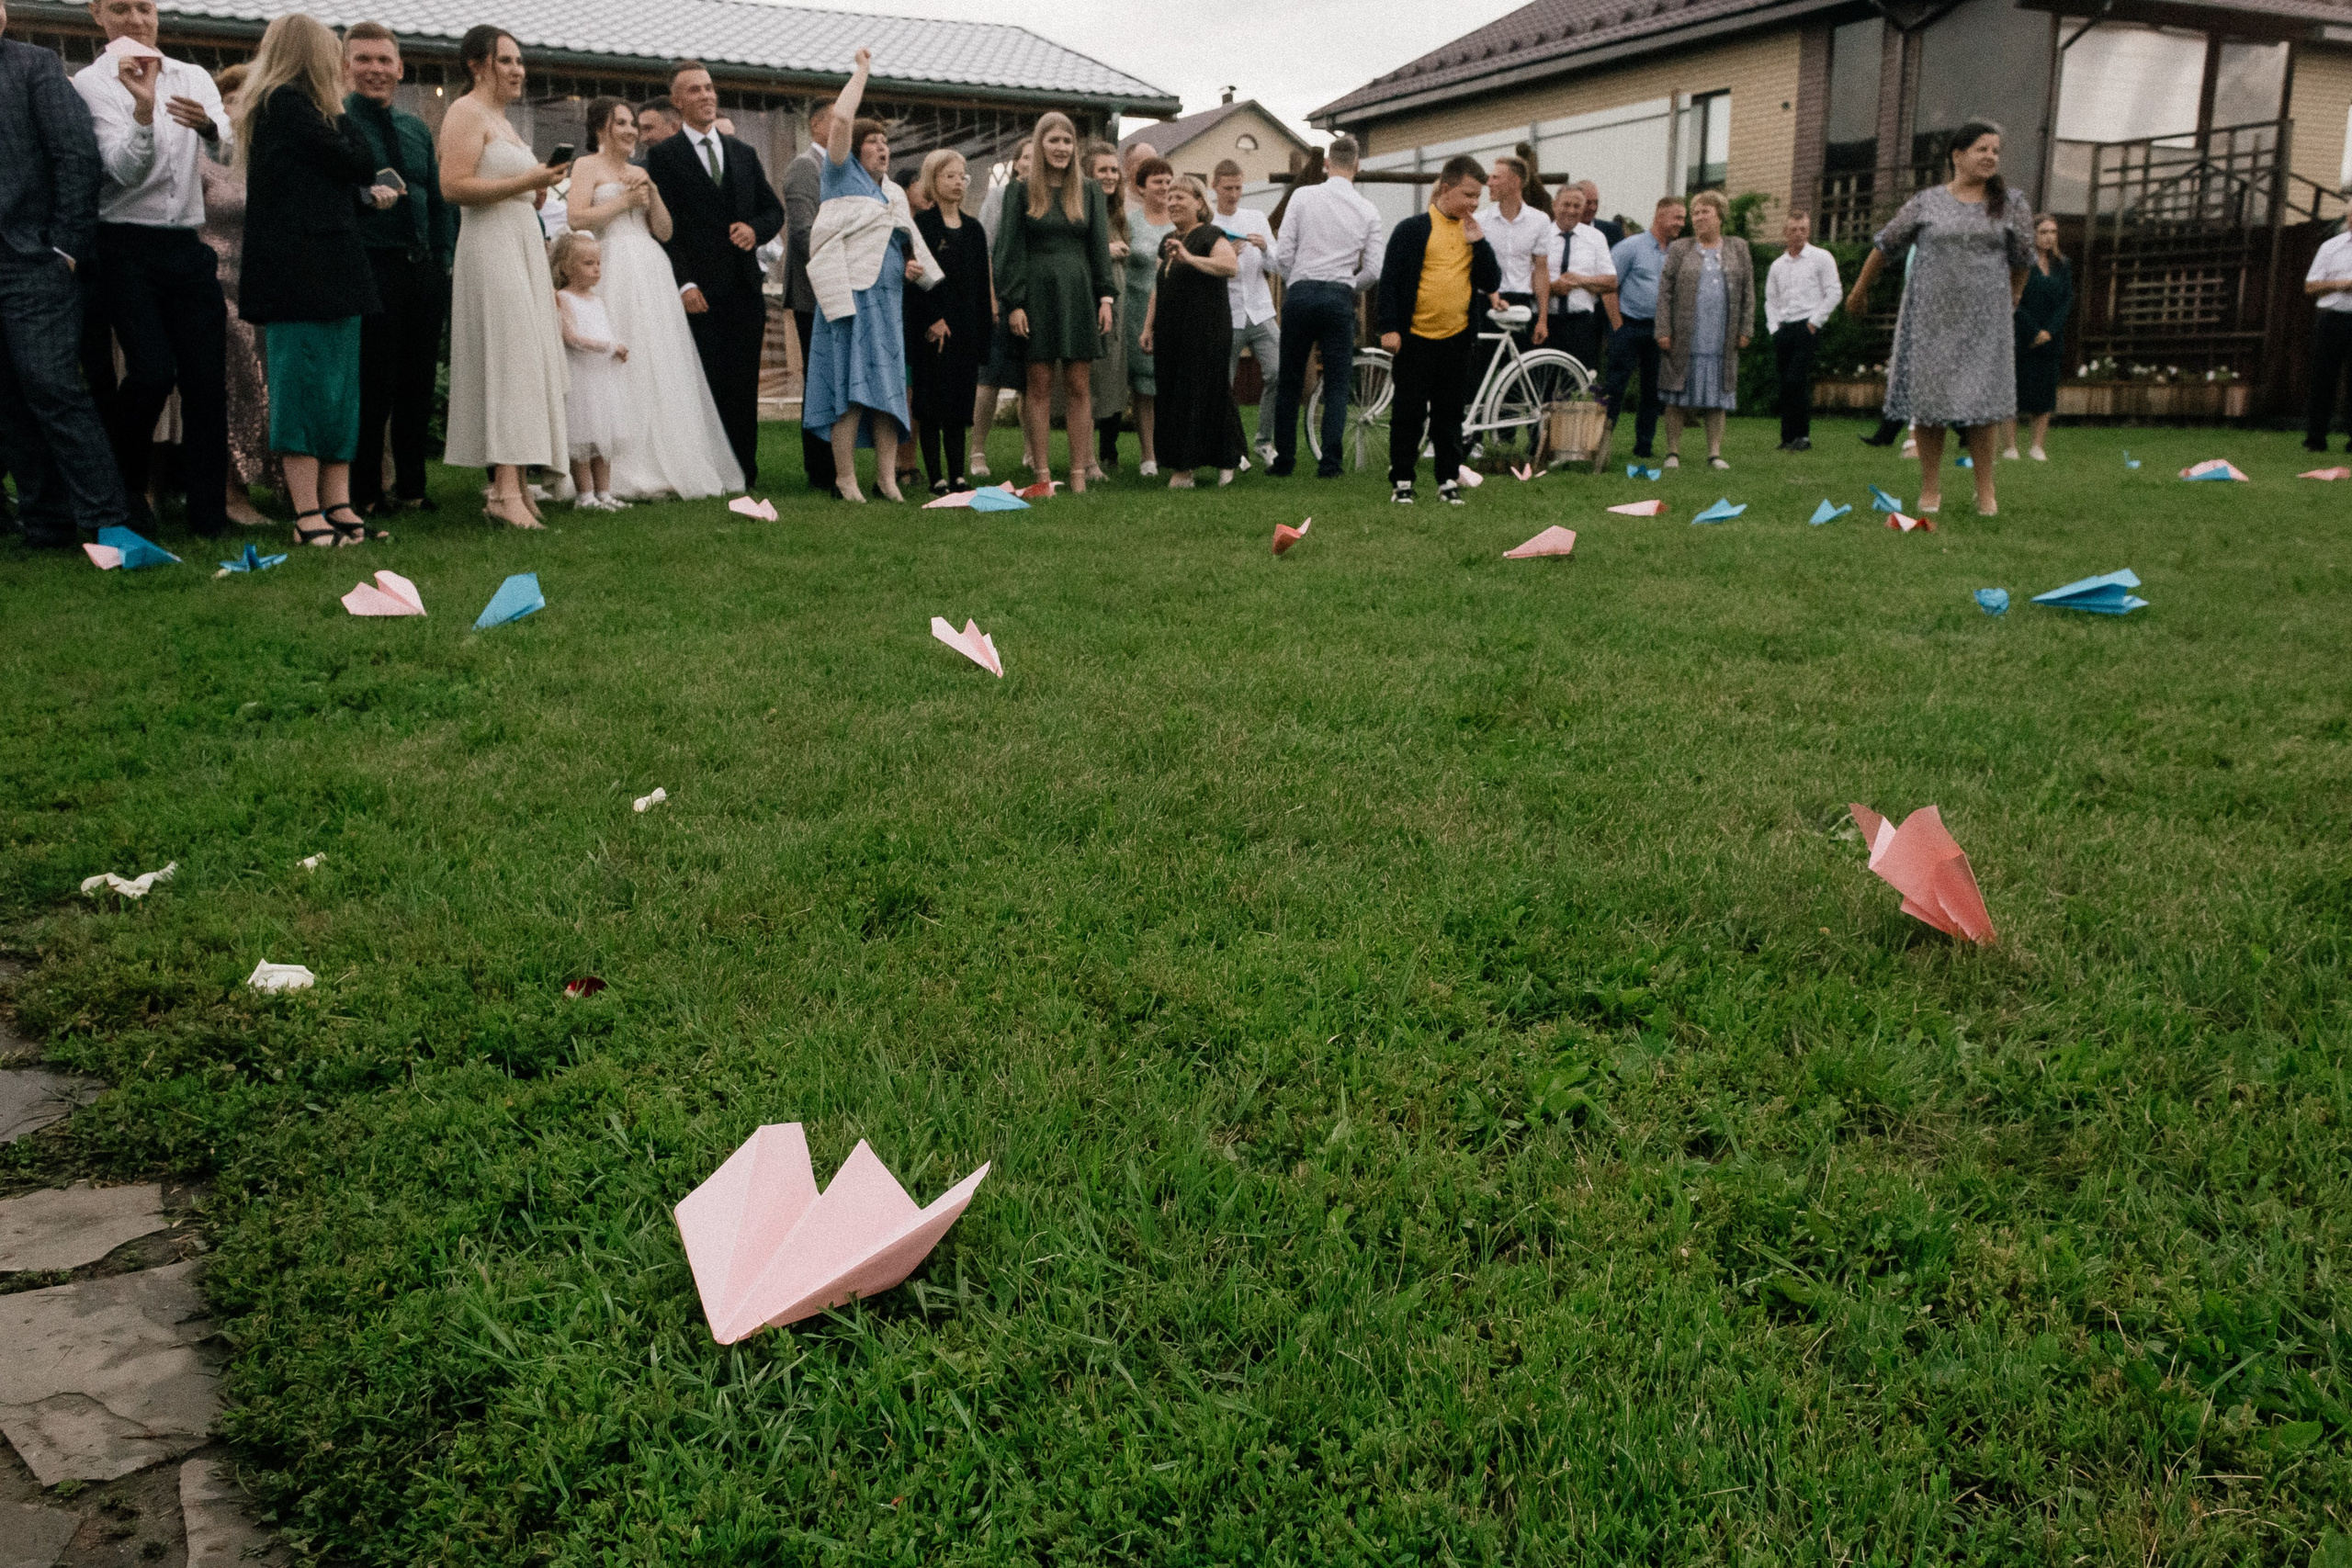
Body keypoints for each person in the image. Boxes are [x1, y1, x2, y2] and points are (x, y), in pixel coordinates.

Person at [73, 0, 236, 537]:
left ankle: (209, 516)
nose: (136, 21)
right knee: (150, 371)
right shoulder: (90, 85)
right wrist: (144, 112)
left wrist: (211, 127)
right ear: (98, 15)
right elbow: (118, 170)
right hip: (123, 245)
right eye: (120, 10)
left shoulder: (190, 75)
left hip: (186, 243)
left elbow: (228, 150)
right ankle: (127, 495)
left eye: (144, 8)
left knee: (207, 381)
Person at [236, 12, 390, 547]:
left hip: (335, 269)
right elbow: (359, 160)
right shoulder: (284, 103)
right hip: (297, 275)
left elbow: (327, 183)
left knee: (340, 392)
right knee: (302, 390)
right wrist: (341, 105)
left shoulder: (305, 111)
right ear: (310, 56)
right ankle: (308, 514)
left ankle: (339, 504)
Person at [1846, 118, 2032, 516]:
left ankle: (1986, 492)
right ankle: (1930, 489)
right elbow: (1885, 245)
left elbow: (2023, 259)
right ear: (1958, 155)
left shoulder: (2012, 203)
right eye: (1983, 149)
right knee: (1929, 406)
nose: (1991, 157)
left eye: (1996, 151)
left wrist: (2014, 295)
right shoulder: (1926, 202)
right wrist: (1860, 290)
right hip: (1931, 321)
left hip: (1985, 323)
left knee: (1982, 406)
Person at [0, 0, 130, 547]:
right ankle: (45, 522)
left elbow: (76, 156)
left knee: (53, 386)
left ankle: (110, 523)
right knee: (7, 394)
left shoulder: (33, 65)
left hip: (31, 258)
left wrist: (65, 248)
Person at [565, 96, 741, 498]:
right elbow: (576, 217)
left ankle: (667, 458)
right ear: (600, 128)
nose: (630, 131)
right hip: (609, 264)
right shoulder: (586, 167)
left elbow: (664, 231)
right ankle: (615, 467)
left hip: (650, 264)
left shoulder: (638, 170)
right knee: (615, 361)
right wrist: (622, 202)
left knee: (659, 359)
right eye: (622, 123)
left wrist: (652, 192)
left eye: (632, 124)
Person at [437, 25, 570, 529]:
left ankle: (509, 486)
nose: (518, 70)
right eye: (507, 60)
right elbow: (453, 185)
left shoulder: (504, 121)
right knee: (508, 359)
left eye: (520, 61)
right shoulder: (464, 112)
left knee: (527, 360)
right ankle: (504, 490)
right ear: (478, 64)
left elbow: (508, 184)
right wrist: (528, 180)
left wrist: (535, 189)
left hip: (521, 242)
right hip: (489, 247)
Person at [804, 49, 941, 503]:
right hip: (849, 300)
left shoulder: (894, 193)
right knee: (851, 389)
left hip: (887, 302)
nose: (883, 147)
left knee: (888, 391)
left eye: (887, 141)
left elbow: (900, 243)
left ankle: (885, 478)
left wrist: (908, 266)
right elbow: (842, 119)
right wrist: (862, 71)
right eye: (874, 141)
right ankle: (846, 479)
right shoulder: (838, 174)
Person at [648, 58, 785, 492]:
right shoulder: (663, 157)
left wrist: (754, 230)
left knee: (743, 385)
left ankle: (744, 473)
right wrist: (683, 283)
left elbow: (773, 210)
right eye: (694, 90)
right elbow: (663, 229)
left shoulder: (743, 154)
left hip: (745, 289)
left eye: (709, 88)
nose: (706, 96)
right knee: (703, 383)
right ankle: (707, 471)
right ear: (676, 102)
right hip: (698, 290)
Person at [344, 22, 454, 521]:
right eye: (363, 60)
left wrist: (443, 260)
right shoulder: (338, 121)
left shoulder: (415, 128)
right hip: (371, 266)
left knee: (416, 382)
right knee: (374, 383)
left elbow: (436, 200)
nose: (375, 70)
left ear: (400, 68)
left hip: (423, 269)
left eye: (384, 61)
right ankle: (365, 491)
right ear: (347, 66)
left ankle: (412, 487)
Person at [993, 109, 1114, 494]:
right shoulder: (1019, 192)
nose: (1061, 148)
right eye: (1053, 141)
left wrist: (1105, 298)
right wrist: (1013, 303)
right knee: (1039, 383)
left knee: (1079, 384)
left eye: (1067, 141)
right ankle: (1042, 476)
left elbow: (1099, 250)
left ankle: (1078, 474)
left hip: (1079, 295)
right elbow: (1007, 251)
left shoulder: (1091, 191)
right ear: (1040, 144)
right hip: (1036, 296)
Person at [1374, 153, 1501, 506]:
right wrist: (1389, 328)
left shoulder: (1471, 231)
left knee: (1449, 415)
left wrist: (1480, 243)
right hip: (1414, 338)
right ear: (1446, 189)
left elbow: (1491, 281)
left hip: (1456, 339)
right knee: (1408, 413)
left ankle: (1447, 479)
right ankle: (1402, 479)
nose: (1474, 204)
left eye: (1479, 197)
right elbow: (1389, 284)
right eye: (1468, 195)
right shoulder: (1411, 230)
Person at [1269, 132, 1380, 479]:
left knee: (1289, 379)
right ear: (1357, 167)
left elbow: (1282, 252)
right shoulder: (1367, 209)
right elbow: (1374, 268)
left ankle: (1284, 460)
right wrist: (1349, 287)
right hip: (1338, 296)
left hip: (1301, 292)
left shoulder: (1303, 196)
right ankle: (1330, 462)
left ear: (1328, 163)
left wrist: (1296, 280)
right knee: (1336, 382)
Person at [1138, 174, 1243, 487]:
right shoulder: (1169, 240)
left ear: (1199, 202)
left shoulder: (1211, 235)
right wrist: (1148, 327)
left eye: (1180, 197)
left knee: (1196, 394)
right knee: (1170, 394)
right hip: (1171, 330)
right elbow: (1159, 286)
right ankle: (1224, 457)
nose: (1172, 203)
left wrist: (1190, 258)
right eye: (1169, 198)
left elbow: (1229, 266)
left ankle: (1186, 470)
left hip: (1205, 328)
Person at [200, 62, 270, 525]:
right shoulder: (202, 156)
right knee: (226, 388)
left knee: (257, 391)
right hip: (212, 284)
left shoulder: (262, 157)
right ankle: (226, 492)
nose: (235, 109)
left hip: (259, 287)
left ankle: (251, 484)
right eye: (229, 99)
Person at [909, 147, 991, 493]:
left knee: (960, 403)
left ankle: (957, 473)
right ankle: (936, 476)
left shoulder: (974, 229)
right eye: (950, 176)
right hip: (934, 329)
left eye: (962, 176)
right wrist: (933, 319)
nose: (958, 183)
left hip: (967, 328)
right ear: (933, 180)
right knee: (931, 403)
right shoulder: (922, 226)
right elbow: (918, 280)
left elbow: (980, 286)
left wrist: (983, 333)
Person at [1654, 188, 1751, 471]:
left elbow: (1748, 292)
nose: (1698, 218)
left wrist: (1746, 327)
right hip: (1685, 335)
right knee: (1676, 394)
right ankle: (1672, 453)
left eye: (1704, 212)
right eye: (1695, 213)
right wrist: (1663, 328)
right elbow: (1665, 292)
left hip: (1721, 334)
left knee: (1717, 396)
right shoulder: (1680, 249)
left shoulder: (1738, 248)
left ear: (1720, 216)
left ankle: (1714, 454)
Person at [965, 136, 1032, 479]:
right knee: (989, 379)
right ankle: (977, 450)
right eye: (1027, 157)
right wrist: (990, 298)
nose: (1034, 163)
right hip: (1002, 298)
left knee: (1031, 381)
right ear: (1016, 163)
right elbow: (985, 250)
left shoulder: (1049, 199)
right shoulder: (999, 196)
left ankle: (1031, 450)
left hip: (1036, 300)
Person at [780, 98, 838, 492]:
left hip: (845, 290)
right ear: (819, 125)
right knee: (819, 379)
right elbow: (803, 231)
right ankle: (820, 468)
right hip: (814, 291)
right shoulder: (806, 167)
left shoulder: (845, 167)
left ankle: (840, 461)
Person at [548, 231, 628, 510]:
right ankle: (585, 494)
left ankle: (604, 491)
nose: (596, 269)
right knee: (582, 438)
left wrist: (612, 351)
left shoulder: (598, 301)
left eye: (598, 263)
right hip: (580, 378)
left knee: (603, 436)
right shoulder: (563, 299)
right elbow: (571, 338)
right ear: (567, 268)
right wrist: (610, 347)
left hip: (601, 379)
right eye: (588, 263)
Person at [1600, 196, 1684, 460]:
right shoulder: (1630, 247)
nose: (1681, 224)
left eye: (1683, 218)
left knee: (1653, 391)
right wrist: (1618, 327)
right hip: (1628, 326)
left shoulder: (1676, 253)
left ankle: (1644, 447)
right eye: (1677, 217)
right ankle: (1601, 442)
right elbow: (1608, 287)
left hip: (1659, 332)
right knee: (1614, 387)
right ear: (1660, 215)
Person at [1212, 158, 1280, 463]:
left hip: (1261, 310)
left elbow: (1277, 266)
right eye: (1228, 188)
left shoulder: (1256, 217)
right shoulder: (1209, 224)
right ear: (1215, 186)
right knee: (1223, 385)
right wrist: (1228, 254)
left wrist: (1265, 247)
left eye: (1239, 187)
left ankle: (1264, 441)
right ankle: (1231, 446)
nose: (1234, 194)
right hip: (1227, 313)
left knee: (1279, 371)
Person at [1763, 208, 1838, 453]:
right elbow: (1770, 300)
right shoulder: (1777, 265)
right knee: (1786, 383)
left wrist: (1815, 322)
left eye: (1803, 229)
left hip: (1808, 326)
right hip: (1785, 327)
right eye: (1794, 229)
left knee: (1797, 379)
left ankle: (1803, 436)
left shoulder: (1821, 258)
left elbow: (1834, 291)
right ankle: (1787, 437)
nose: (1798, 234)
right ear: (1785, 232)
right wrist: (1774, 328)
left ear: (1809, 230)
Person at [1122, 154, 1175, 477]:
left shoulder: (1179, 221)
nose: (1165, 187)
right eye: (1157, 182)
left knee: (1171, 383)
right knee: (1144, 386)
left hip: (1173, 310)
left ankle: (1173, 449)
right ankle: (1148, 456)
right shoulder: (1131, 223)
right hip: (1137, 309)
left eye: (1169, 181)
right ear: (1141, 188)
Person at [2003, 213, 2070, 461]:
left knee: (2045, 392)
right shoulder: (2020, 263)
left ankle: (2037, 446)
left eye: (2053, 232)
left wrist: (2049, 331)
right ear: (2032, 234)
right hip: (2022, 335)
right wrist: (2033, 331)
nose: (2049, 237)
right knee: (2014, 391)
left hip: (2051, 337)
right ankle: (2010, 447)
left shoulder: (2063, 265)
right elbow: (2013, 300)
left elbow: (2066, 301)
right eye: (2043, 232)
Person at [1082, 141, 1130, 479]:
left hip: (1118, 300)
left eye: (1114, 170)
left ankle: (1107, 450)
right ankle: (1086, 457)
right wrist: (1106, 249)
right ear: (1088, 173)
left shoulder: (1117, 212)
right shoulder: (1083, 208)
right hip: (1089, 297)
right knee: (1090, 377)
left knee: (1114, 372)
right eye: (1103, 170)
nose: (1110, 176)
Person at [1479, 154, 1551, 347]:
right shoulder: (1479, 221)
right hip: (1484, 301)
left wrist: (1542, 320)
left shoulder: (1540, 221)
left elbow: (1541, 270)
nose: (1489, 182)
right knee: (1478, 372)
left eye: (1496, 178)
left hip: (1520, 302)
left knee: (1519, 369)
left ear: (1515, 182)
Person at [1543, 181, 1612, 373]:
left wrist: (1580, 280)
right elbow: (1526, 280)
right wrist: (1552, 288)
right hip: (1546, 320)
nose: (1571, 211)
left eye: (1577, 206)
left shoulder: (1596, 238)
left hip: (1580, 324)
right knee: (1542, 383)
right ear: (1554, 205)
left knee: (1578, 385)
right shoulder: (1541, 235)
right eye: (1566, 205)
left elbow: (1611, 282)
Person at [2307, 220, 2352, 453]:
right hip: (2332, 318)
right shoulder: (2331, 247)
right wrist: (2339, 285)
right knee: (2323, 379)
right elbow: (2310, 286)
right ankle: (2316, 438)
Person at [1579, 180, 1624, 247]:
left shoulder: (1613, 232)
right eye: (1588, 203)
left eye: (1596, 202)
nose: (1593, 208)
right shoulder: (1565, 231)